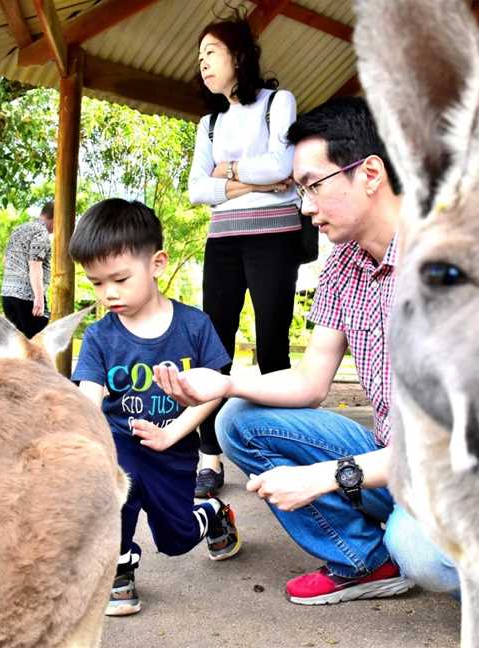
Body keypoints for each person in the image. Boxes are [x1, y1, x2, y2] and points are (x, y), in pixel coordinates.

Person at [155, 98, 479, 648]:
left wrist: (328, 476)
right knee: (239, 420)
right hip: (393, 461)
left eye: (312, 185)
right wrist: (227, 382)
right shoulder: (343, 264)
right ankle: (366, 562)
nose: (304, 206)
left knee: (419, 547)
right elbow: (310, 380)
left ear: (370, 173)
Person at [69, 198, 242, 617]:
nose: (108, 293)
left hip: (174, 449)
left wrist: (174, 433)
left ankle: (212, 512)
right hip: (121, 444)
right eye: (95, 283)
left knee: (176, 540)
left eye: (120, 279)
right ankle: (119, 569)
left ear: (158, 264)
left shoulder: (195, 326)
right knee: (115, 498)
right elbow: (89, 392)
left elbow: (215, 390)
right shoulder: (99, 337)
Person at [187, 10, 302, 498]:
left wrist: (227, 173)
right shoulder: (208, 123)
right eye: (199, 57)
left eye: (210, 53)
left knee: (273, 342)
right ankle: (209, 456)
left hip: (275, 235)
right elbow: (196, 189)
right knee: (215, 345)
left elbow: (285, 163)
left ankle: (280, 453)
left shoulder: (279, 102)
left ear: (238, 55)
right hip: (224, 241)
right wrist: (257, 182)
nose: (203, 64)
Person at [1, 202, 53, 338]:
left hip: (7, 294)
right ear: (56, 217)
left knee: (18, 346)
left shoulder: (19, 230)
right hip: (27, 297)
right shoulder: (41, 233)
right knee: (37, 344)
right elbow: (35, 265)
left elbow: (5, 260)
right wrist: (39, 298)